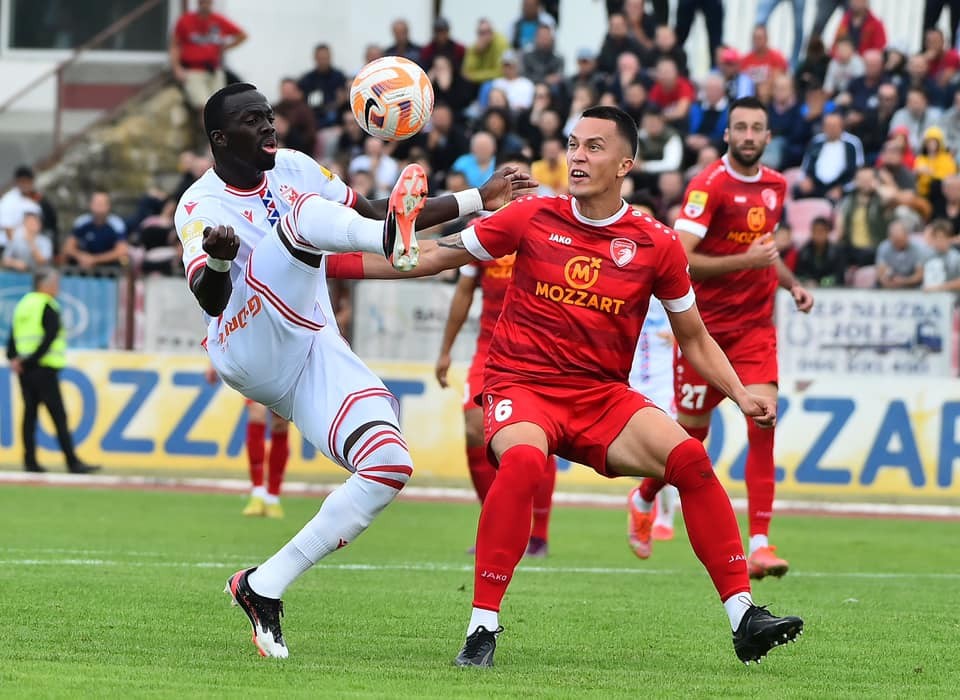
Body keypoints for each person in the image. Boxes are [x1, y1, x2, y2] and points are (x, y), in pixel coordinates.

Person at [344, 105, 805, 667]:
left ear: (625, 163)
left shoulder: (656, 243)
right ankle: (482, 628)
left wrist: (739, 393)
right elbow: (434, 256)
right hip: (524, 385)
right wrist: (326, 265)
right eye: (573, 144)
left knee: (691, 460)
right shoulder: (531, 214)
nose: (578, 157)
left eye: (593, 147)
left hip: (601, 397)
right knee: (522, 464)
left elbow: (695, 337)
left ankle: (743, 617)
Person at [179, 82, 528, 658]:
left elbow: (366, 213)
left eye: (269, 116)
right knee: (302, 221)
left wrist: (477, 199)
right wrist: (218, 256)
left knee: (389, 464)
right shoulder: (200, 205)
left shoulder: (293, 164)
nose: (270, 126)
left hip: (314, 345)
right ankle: (397, 238)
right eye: (252, 120)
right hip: (249, 340)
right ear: (220, 138)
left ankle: (263, 585)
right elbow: (211, 298)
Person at [633, 97, 815, 580]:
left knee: (764, 421)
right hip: (702, 334)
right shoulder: (708, 185)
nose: (750, 135)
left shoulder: (776, 186)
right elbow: (682, 258)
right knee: (691, 438)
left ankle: (759, 542)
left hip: (755, 330)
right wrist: (746, 262)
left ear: (769, 137)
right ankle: (645, 495)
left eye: (758, 127)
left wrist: (792, 284)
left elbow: (765, 251)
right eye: (741, 127)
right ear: (728, 135)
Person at [434, 248, 556, 558]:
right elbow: (463, 294)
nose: (518, 194)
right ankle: (498, 525)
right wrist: (446, 350)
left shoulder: (551, 232)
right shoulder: (485, 234)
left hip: (540, 352)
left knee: (543, 435)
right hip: (490, 350)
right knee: (475, 428)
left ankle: (538, 535)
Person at [5, 269, 99, 474]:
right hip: (44, 369)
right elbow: (49, 338)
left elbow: (12, 337)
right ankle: (72, 462)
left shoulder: (23, 305)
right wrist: (31, 361)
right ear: (44, 285)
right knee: (58, 416)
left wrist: (15, 360)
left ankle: (30, 462)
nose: (57, 288)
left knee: (29, 416)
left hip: (25, 371)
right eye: (55, 283)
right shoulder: (47, 306)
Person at [626, 295, 680, 551]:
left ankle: (664, 519)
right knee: (639, 454)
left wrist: (680, 334)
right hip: (632, 377)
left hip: (666, 381)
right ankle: (645, 499)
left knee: (671, 449)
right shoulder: (626, 282)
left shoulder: (673, 283)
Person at [169, 0, 246, 111]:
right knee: (203, 106)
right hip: (193, 69)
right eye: (202, 2)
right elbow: (174, 45)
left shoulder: (218, 20)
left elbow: (242, 35)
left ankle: (215, 128)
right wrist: (177, 68)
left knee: (219, 105)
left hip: (214, 69)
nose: (205, 4)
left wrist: (225, 47)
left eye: (208, 2)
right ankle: (204, 127)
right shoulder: (185, 20)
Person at [63, 190, 129, 271]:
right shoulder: (81, 222)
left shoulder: (116, 224)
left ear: (108, 206)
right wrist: (81, 256)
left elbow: (122, 251)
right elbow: (68, 247)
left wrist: (95, 259)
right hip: (82, 267)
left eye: (101, 204)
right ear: (90, 205)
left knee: (126, 261)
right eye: (96, 203)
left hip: (109, 269)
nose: (98, 207)